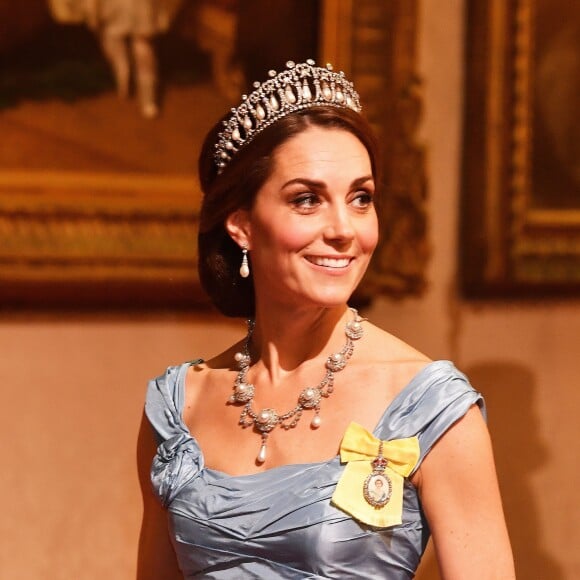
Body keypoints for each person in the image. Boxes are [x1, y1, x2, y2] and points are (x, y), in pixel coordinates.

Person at [137, 60, 515, 578]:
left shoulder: (432, 408)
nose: (343, 229)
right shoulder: (179, 407)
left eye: (361, 199)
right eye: (308, 200)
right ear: (241, 224)